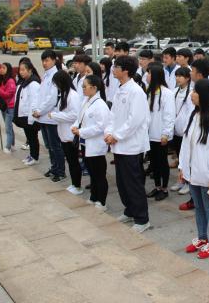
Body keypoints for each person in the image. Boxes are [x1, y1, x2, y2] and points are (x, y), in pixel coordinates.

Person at [180, 79, 209, 259]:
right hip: (193, 173)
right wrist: (183, 167)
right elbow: (186, 144)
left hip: (208, 176)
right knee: (199, 207)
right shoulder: (194, 115)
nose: (192, 94)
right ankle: (202, 238)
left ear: (204, 95)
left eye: (195, 92)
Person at [104, 55, 152, 233]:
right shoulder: (120, 89)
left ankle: (142, 219)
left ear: (125, 70)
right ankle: (129, 210)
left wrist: (116, 135)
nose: (113, 69)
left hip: (131, 145)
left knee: (133, 183)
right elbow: (113, 116)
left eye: (116, 66)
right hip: (119, 144)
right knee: (122, 182)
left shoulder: (136, 91)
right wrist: (109, 132)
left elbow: (135, 120)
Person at [72, 75, 112, 209]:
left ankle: (102, 201)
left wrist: (81, 132)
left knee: (99, 174)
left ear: (94, 88)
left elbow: (100, 127)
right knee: (92, 173)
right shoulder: (86, 101)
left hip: (96, 145)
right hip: (85, 143)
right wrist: (75, 126)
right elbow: (80, 118)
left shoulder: (100, 105)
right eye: (82, 86)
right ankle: (94, 196)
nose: (83, 89)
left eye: (85, 86)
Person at [178, 59, 209, 210]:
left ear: (199, 73)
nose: (190, 73)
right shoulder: (196, 89)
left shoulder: (208, 90)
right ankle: (194, 198)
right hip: (191, 138)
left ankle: (198, 200)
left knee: (208, 205)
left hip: (203, 148)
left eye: (192, 71)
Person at [32, 50, 66, 182]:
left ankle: (60, 171)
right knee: (49, 146)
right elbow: (40, 95)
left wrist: (39, 111)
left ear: (54, 60)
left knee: (55, 146)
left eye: (47, 60)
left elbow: (51, 99)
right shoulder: (46, 75)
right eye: (43, 61)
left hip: (51, 117)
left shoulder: (55, 76)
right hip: (43, 117)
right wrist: (36, 110)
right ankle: (54, 167)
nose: (44, 63)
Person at [145, 63, 176, 201]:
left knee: (162, 162)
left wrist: (166, 134)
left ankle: (164, 188)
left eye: (149, 73)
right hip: (150, 134)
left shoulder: (167, 93)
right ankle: (157, 187)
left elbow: (169, 115)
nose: (147, 76)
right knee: (154, 162)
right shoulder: (149, 92)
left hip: (161, 135)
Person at [49, 70, 83, 194]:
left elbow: (74, 115)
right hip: (64, 134)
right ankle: (74, 183)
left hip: (70, 134)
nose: (56, 86)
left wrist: (55, 116)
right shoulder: (64, 94)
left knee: (73, 161)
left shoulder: (72, 96)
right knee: (70, 160)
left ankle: (77, 185)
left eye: (57, 83)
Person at [169, 67, 195, 192]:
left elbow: (191, 113)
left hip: (185, 131)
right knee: (180, 157)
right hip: (176, 130)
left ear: (188, 78)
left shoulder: (191, 93)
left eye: (181, 76)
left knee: (187, 158)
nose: (178, 78)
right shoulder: (174, 91)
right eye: (177, 76)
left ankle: (188, 182)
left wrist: (187, 129)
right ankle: (181, 180)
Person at [13, 60, 41, 165]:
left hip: (30, 116)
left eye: (23, 70)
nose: (21, 72)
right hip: (24, 115)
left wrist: (31, 118)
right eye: (20, 70)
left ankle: (34, 157)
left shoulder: (33, 84)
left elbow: (34, 101)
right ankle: (31, 155)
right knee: (29, 137)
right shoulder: (24, 82)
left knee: (33, 138)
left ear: (30, 70)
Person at [0, 63, 17, 153]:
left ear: (8, 70)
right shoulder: (2, 80)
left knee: (8, 128)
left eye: (4, 68)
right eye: (1, 68)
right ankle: (12, 144)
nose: (1, 69)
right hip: (3, 107)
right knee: (9, 127)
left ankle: (8, 147)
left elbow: (7, 95)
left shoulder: (10, 81)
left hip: (10, 107)